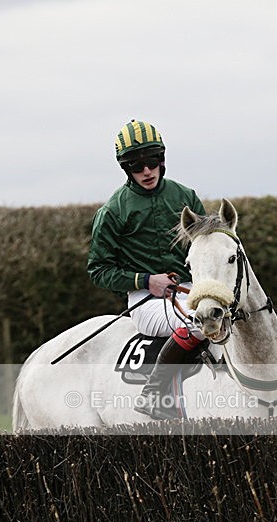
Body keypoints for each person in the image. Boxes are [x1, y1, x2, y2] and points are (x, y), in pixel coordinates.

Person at [87, 119, 208, 419]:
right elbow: (98, 270)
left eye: (152, 162)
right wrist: (145, 280)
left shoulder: (186, 197)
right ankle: (154, 394)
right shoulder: (113, 211)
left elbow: (206, 250)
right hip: (146, 302)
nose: (146, 171)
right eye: (136, 166)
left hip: (192, 291)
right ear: (126, 169)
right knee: (199, 322)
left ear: (161, 160)